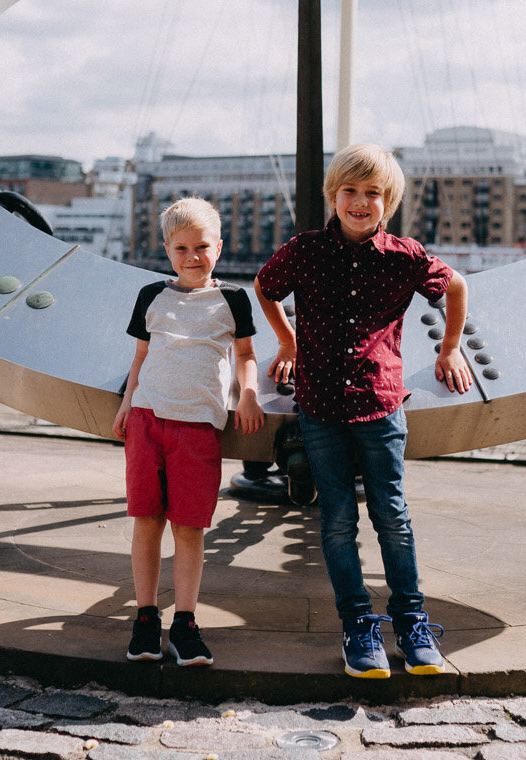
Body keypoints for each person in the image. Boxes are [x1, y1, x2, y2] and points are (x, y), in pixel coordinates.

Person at [254, 143, 471, 679]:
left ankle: (411, 620)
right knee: (338, 521)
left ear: (388, 202)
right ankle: (357, 624)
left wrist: (450, 348)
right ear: (333, 196)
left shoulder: (405, 256)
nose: (360, 201)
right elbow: (265, 287)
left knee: (392, 518)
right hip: (321, 408)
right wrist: (288, 342)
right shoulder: (305, 251)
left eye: (373, 193)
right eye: (349, 191)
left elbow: (456, 285)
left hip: (380, 405)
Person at [113, 197, 264, 664]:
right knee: (146, 523)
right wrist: (126, 405)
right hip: (147, 419)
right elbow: (140, 358)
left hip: (198, 427)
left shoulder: (233, 299)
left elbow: (245, 355)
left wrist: (249, 394)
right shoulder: (151, 297)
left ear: (219, 247)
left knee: (190, 529)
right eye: (181, 249)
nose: (193, 257)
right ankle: (144, 618)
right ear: (166, 250)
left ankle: (185, 623)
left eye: (202, 247)